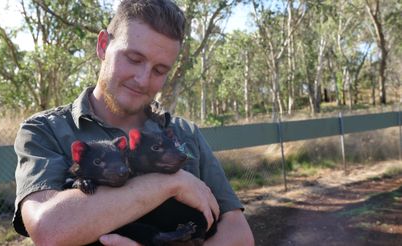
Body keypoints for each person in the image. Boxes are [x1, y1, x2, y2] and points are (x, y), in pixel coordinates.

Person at [13, 0, 255, 245]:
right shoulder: (46, 130)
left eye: (159, 70)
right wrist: (172, 182)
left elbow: (238, 233)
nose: (142, 80)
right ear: (103, 45)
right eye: (133, 58)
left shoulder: (184, 134)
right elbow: (49, 230)